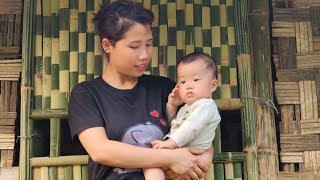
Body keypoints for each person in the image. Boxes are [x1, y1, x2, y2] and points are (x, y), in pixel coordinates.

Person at [67, 1, 214, 179]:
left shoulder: (165, 89)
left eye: (149, 44)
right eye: (135, 46)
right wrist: (171, 158)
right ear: (107, 45)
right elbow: (100, 150)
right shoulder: (86, 94)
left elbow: (198, 125)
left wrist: (206, 157)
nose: (144, 54)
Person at [143, 52, 221, 180]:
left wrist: (172, 143)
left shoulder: (206, 106)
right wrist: (172, 106)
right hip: (180, 155)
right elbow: (174, 125)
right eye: (183, 81)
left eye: (195, 80)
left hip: (192, 159)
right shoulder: (186, 108)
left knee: (151, 163)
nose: (189, 85)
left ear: (212, 85)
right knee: (151, 164)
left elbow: (191, 127)